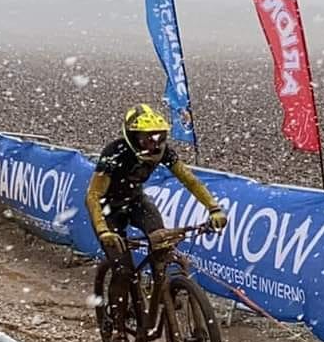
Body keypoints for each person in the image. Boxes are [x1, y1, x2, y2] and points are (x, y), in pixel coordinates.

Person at [85, 105, 227, 265]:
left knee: (162, 245)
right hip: (108, 209)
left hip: (136, 201)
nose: (155, 145)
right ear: (133, 138)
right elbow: (94, 194)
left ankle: (160, 282)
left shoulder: (164, 151)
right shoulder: (114, 154)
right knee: (123, 271)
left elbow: (190, 181)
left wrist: (214, 208)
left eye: (160, 138)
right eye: (148, 140)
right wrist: (103, 230)